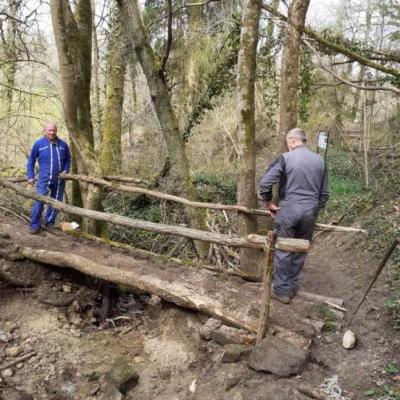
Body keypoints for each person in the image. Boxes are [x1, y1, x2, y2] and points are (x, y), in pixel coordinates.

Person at [259, 128, 329, 304]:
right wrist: (314, 208)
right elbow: (325, 194)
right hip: (310, 211)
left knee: (283, 249)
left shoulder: (285, 158)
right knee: (301, 248)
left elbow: (265, 182)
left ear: (291, 141)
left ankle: (282, 292)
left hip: (289, 209)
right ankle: (293, 286)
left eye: (286, 142)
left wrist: (268, 202)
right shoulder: (320, 161)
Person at [27, 122, 71, 234]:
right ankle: (35, 225)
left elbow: (68, 160)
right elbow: (31, 160)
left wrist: (66, 170)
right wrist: (30, 176)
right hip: (44, 178)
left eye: (54, 130)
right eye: (49, 130)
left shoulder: (63, 145)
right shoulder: (39, 144)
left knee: (55, 202)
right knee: (39, 200)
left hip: (59, 179)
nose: (52, 132)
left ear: (56, 131)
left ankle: (49, 223)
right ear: (45, 131)